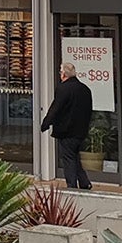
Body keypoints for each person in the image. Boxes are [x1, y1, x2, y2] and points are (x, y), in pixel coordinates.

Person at [40, 62, 95, 190]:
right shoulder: (85, 89)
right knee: (74, 156)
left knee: (68, 158)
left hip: (67, 130)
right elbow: (89, 110)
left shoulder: (64, 88)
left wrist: (46, 123)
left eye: (60, 72)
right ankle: (84, 182)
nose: (60, 75)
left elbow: (56, 108)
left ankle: (71, 185)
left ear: (64, 74)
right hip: (81, 130)